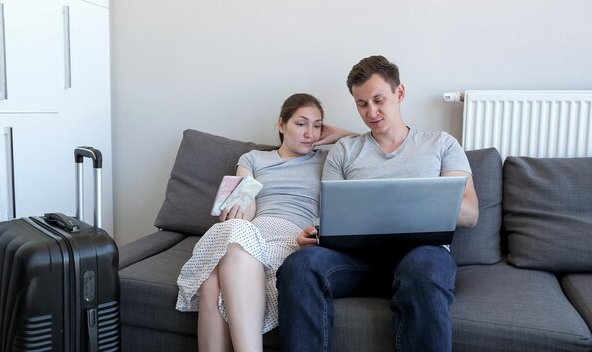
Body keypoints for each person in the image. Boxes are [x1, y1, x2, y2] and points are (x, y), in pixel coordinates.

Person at [276, 55, 479, 352]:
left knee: (426, 266)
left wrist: (413, 203)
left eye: (379, 100)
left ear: (400, 93)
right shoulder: (345, 151)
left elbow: (471, 213)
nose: (371, 112)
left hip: (420, 256)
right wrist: (317, 233)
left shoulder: (441, 144)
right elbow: (331, 213)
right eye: (362, 104)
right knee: (299, 265)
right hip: (356, 260)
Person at [176, 93, 352, 352]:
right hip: (253, 231)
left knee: (213, 280)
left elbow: (372, 142)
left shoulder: (327, 159)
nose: (310, 133)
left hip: (292, 237)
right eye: (301, 123)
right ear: (281, 125)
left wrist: (338, 134)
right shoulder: (253, 159)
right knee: (229, 242)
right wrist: (235, 212)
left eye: (317, 125)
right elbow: (247, 205)